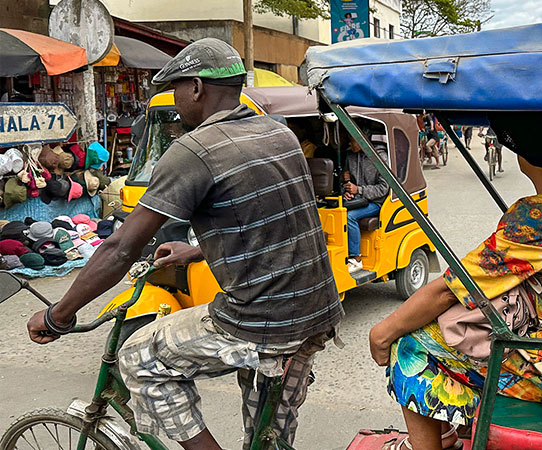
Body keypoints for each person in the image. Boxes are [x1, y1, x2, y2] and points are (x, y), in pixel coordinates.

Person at [25, 38, 344, 450]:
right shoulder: (277, 132)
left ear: (195, 87)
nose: (175, 101)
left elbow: (120, 247)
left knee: (139, 357)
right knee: (268, 440)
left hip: (261, 321)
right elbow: (277, 221)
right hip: (318, 311)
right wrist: (194, 249)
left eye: (176, 88)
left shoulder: (193, 149)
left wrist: (59, 314)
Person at [368, 114, 542, 450]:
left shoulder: (539, 216)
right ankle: (447, 434)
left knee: (411, 345)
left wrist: (382, 332)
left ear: (530, 154)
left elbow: (449, 289)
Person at [344, 131, 389, 273]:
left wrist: (359, 190)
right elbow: (344, 182)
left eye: (352, 141)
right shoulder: (350, 156)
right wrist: (346, 190)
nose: (350, 145)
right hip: (358, 200)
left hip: (377, 202)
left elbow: (383, 189)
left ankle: (356, 259)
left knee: (349, 217)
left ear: (361, 140)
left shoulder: (380, 158)